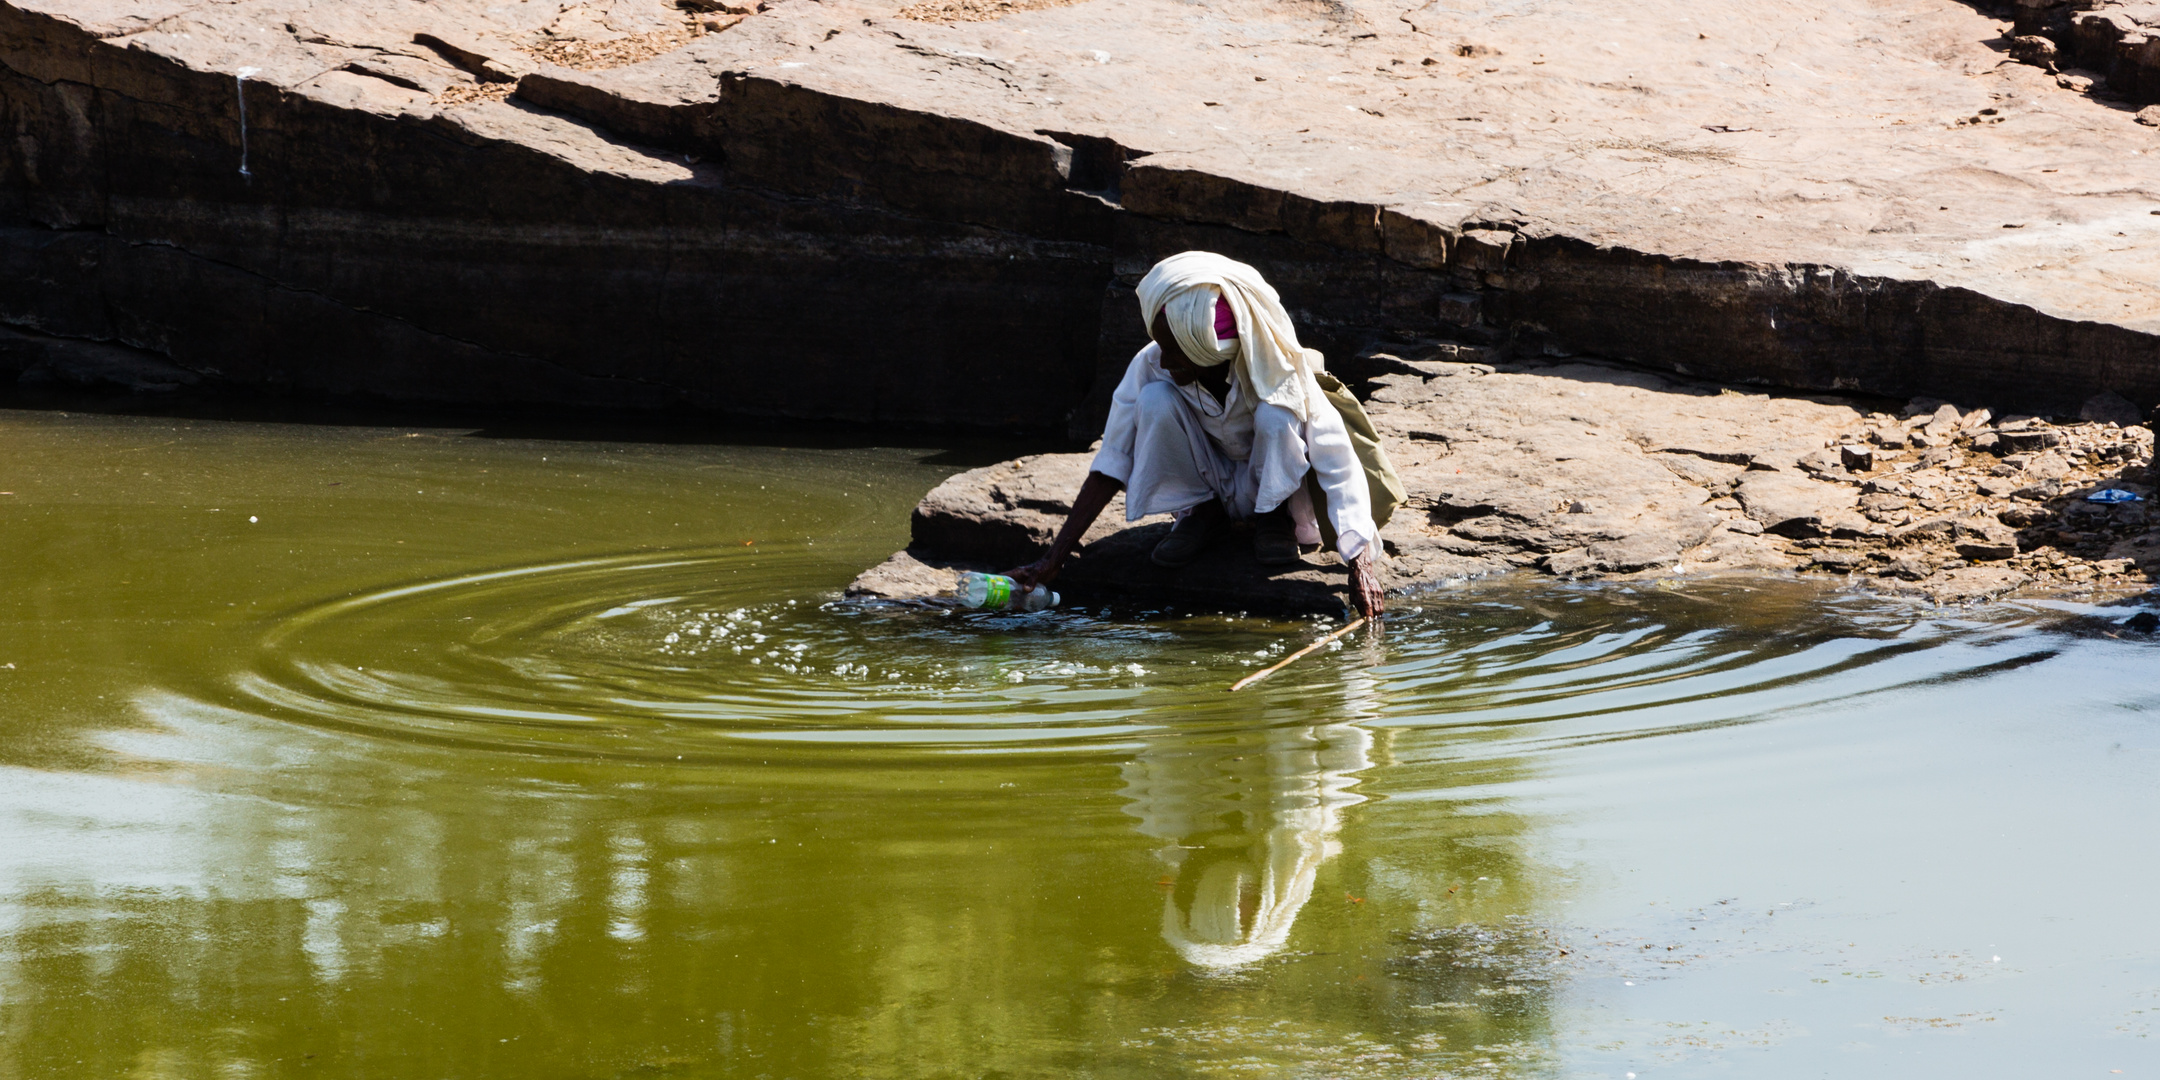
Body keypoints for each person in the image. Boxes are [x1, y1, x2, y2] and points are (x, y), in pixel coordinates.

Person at [1005, 251, 1385, 617]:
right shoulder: (1152, 362)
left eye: (1175, 352)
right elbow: (1112, 460)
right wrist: (1051, 560)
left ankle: (1274, 518)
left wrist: (1359, 564)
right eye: (1161, 345)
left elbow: (1338, 464)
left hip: (1276, 489)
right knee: (1154, 400)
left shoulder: (1279, 368)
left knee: (1276, 412)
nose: (1163, 360)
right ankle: (1202, 513)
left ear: (1212, 352)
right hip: (1212, 483)